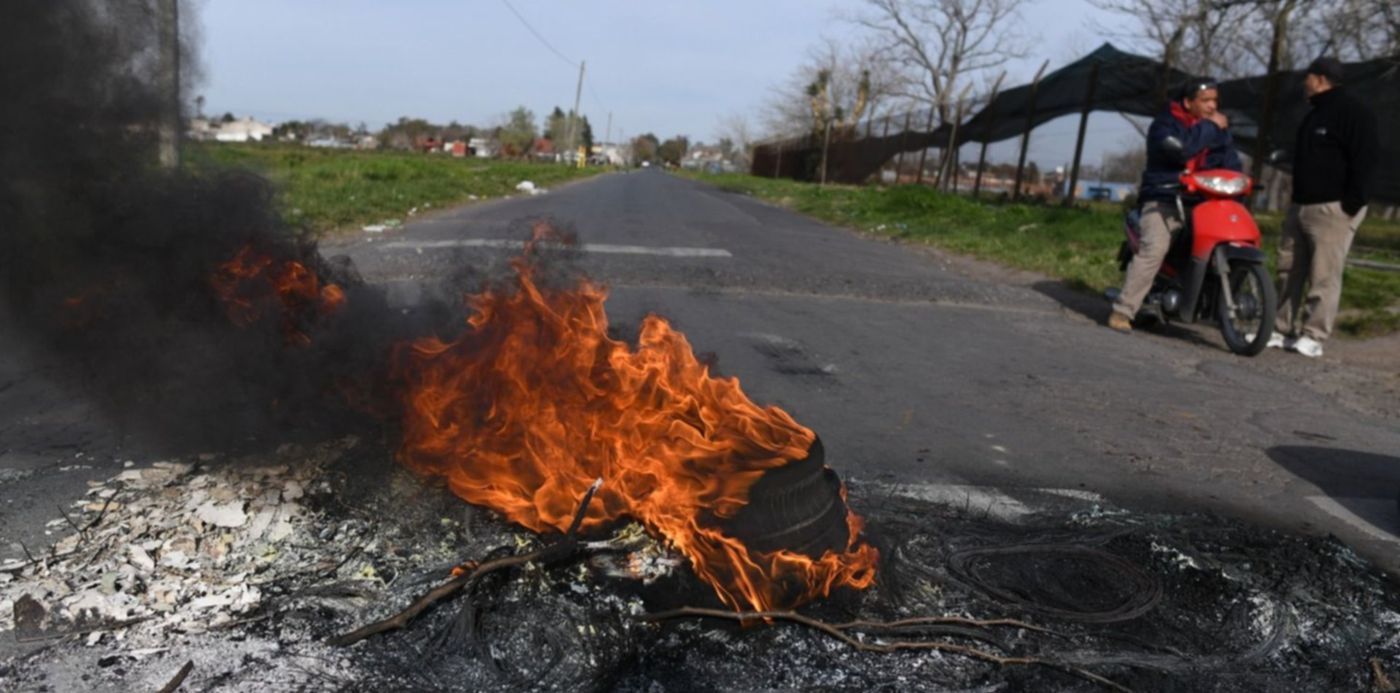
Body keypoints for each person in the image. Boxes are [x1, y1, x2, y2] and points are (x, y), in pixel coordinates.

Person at [1108, 79, 1243, 332]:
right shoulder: (1165, 124)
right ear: (1188, 102)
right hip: (1165, 199)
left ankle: (1222, 309)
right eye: (1206, 101)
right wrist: (1210, 126)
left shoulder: (1217, 130)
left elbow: (1230, 163)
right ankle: (1123, 310)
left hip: (1205, 203)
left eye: (1215, 101)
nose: (1212, 106)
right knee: (1155, 248)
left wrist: (1238, 185)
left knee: (1231, 243)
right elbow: (1183, 150)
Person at [1271, 57, 1379, 358]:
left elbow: (1366, 160)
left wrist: (1351, 204)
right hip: (1301, 206)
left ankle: (1313, 335)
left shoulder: (1353, 113)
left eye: (1307, 77)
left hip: (1333, 209)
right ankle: (1280, 329)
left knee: (1324, 275)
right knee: (1288, 269)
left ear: (1319, 79)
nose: (1303, 82)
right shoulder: (1314, 114)